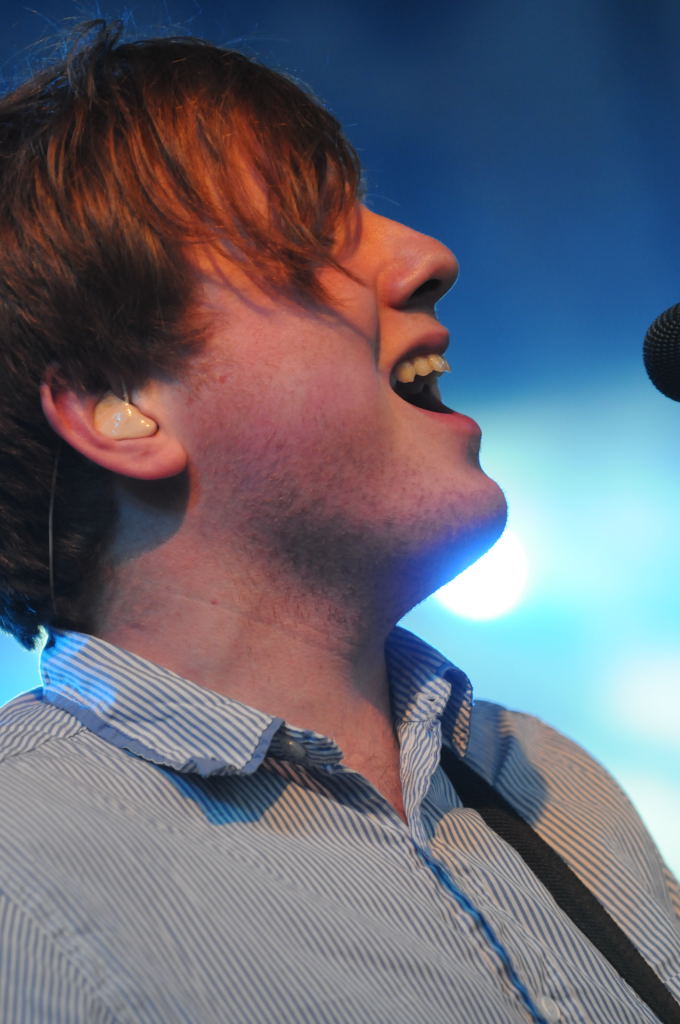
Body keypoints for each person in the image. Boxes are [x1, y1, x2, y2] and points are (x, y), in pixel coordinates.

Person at [0, 20, 677, 1024]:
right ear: (120, 408)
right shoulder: (23, 881)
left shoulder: (550, 779)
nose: (428, 256)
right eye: (309, 237)